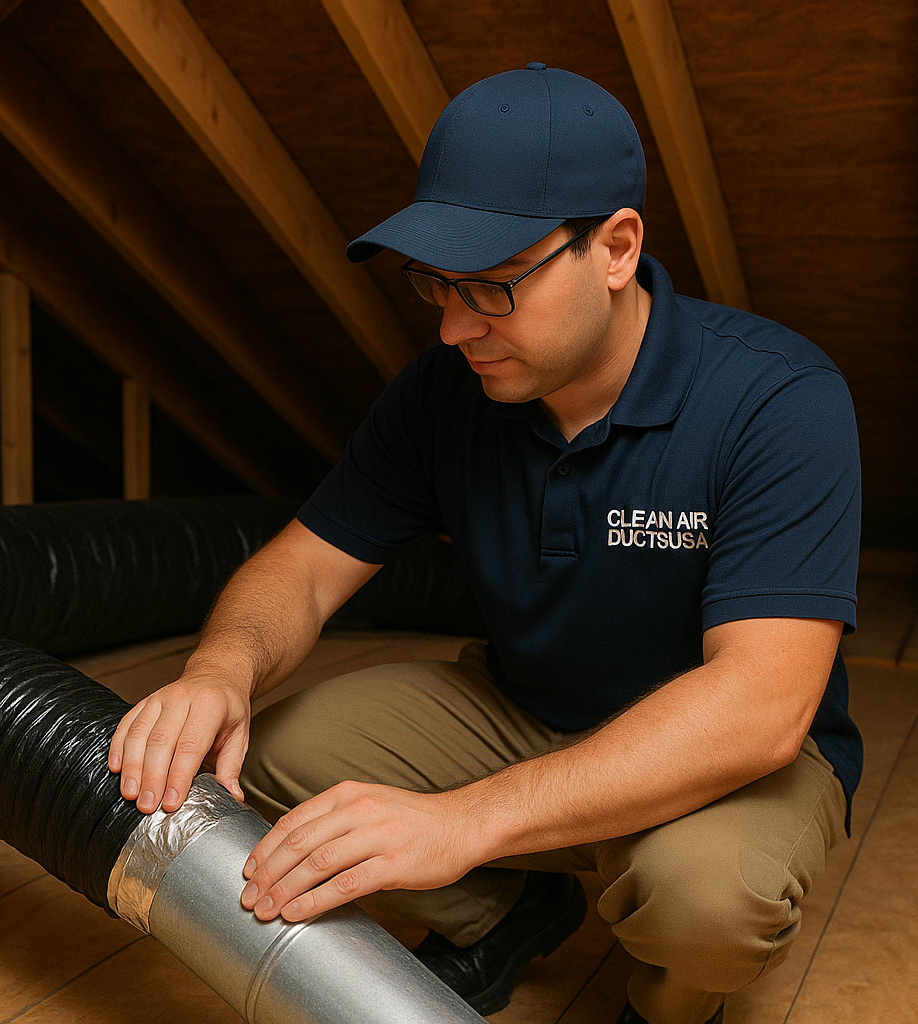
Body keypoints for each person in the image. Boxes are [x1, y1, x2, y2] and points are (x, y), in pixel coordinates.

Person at [108, 63, 862, 1024]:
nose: (456, 326)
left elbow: (760, 707)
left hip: (726, 755)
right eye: (436, 284)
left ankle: (669, 1005)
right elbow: (300, 569)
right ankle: (505, 912)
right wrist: (219, 670)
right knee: (265, 752)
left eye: (494, 286)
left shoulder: (777, 399)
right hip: (526, 709)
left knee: (707, 904)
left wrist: (465, 820)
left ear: (617, 246)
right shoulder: (446, 390)